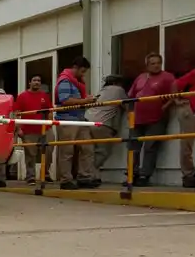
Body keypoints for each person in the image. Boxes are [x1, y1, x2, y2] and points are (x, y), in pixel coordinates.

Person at [127, 53, 177, 186]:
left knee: (150, 147)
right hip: (137, 119)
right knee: (133, 147)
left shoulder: (167, 77)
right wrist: (130, 112)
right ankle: (132, 175)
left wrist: (164, 108)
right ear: (147, 65)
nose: (156, 66)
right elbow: (131, 96)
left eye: (158, 63)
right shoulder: (141, 77)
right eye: (152, 63)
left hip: (156, 119)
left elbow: (174, 95)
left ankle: (144, 176)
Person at [54, 56, 97, 190]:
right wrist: (85, 101)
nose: (83, 74)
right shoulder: (65, 81)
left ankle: (84, 176)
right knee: (67, 151)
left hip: (79, 119)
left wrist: (85, 100)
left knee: (87, 148)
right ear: (76, 68)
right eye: (82, 71)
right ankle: (66, 179)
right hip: (67, 119)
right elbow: (65, 100)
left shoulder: (77, 82)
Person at [86, 75, 127, 186]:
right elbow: (127, 105)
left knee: (91, 152)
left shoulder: (102, 90)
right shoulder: (119, 90)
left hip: (88, 120)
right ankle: (88, 174)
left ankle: (94, 175)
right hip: (102, 123)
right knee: (102, 152)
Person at [13, 74, 53, 184]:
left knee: (49, 151)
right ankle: (30, 176)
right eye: (34, 80)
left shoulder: (44, 95)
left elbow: (49, 111)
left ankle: (45, 174)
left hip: (45, 129)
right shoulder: (22, 96)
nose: (37, 82)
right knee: (30, 154)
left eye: (39, 81)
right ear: (29, 82)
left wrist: (50, 125)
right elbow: (16, 113)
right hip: (28, 130)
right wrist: (18, 129)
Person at [174, 64, 195, 188]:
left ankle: (193, 175)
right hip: (191, 110)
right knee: (187, 143)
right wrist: (177, 100)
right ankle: (188, 175)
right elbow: (176, 84)